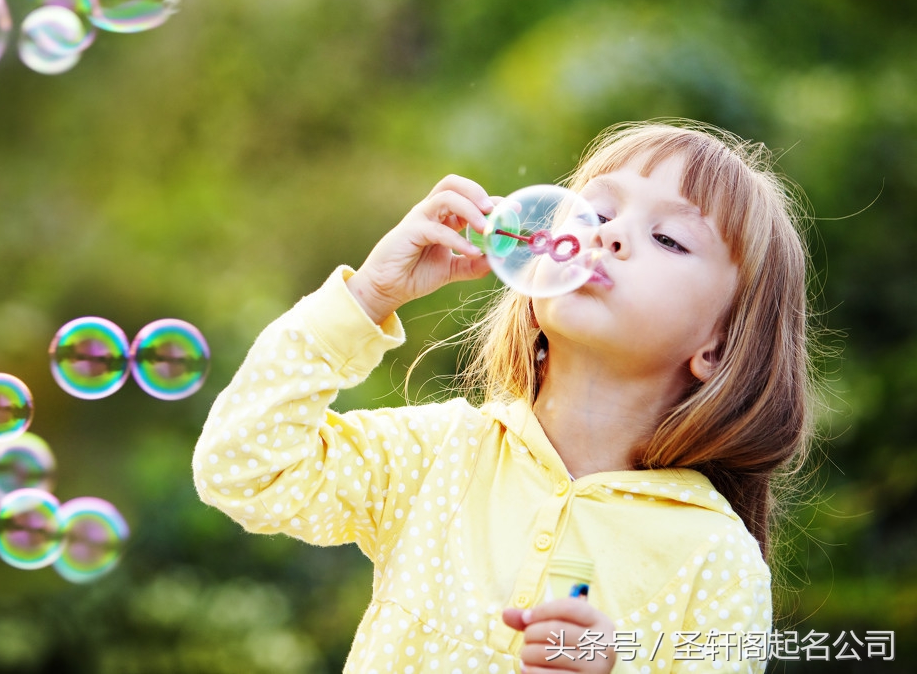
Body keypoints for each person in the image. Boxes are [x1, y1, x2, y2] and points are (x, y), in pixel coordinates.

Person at [193, 120, 815, 674]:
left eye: (670, 239)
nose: (612, 236)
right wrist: (368, 298)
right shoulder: (439, 456)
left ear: (718, 346)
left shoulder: (714, 558)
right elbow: (244, 468)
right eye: (595, 213)